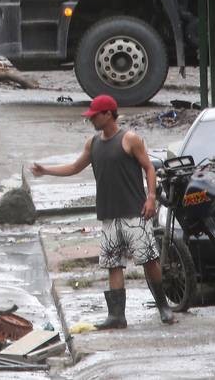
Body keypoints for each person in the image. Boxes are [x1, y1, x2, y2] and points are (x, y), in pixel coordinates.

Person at [30, 95, 175, 328]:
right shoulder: (93, 143)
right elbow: (75, 167)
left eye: (94, 116)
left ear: (108, 114)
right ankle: (117, 315)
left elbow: (149, 168)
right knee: (113, 263)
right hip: (108, 214)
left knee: (148, 260)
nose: (91, 120)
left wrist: (151, 198)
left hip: (134, 212)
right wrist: (46, 170)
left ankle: (164, 307)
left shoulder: (130, 140)